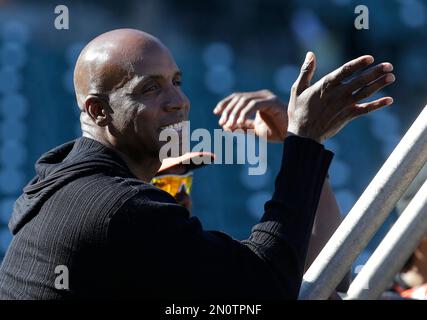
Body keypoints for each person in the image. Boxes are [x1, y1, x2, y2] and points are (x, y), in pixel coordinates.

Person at [0, 28, 395, 299]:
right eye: (150, 88)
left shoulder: (74, 185)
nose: (179, 100)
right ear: (98, 110)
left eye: (177, 80)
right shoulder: (117, 209)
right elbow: (269, 287)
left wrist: (307, 146)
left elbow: (313, 272)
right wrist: (304, 140)